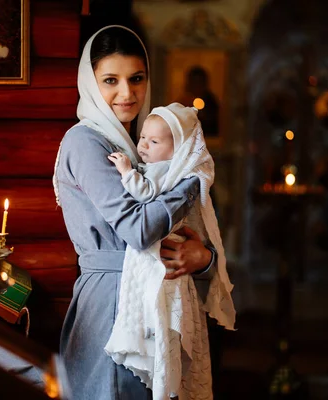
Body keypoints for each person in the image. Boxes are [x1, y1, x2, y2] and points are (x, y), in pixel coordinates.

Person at [52, 25, 217, 400]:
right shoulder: (85, 141)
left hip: (158, 296)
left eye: (136, 79)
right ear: (90, 83)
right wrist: (192, 182)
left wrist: (203, 258)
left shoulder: (146, 145)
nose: (127, 93)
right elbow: (139, 230)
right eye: (111, 80)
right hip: (112, 300)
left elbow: (195, 234)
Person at [104, 103, 235, 399]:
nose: (143, 145)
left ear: (179, 150)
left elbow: (146, 195)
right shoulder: (163, 171)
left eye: (154, 141)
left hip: (165, 265)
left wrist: (126, 171)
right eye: (143, 138)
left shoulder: (171, 174)